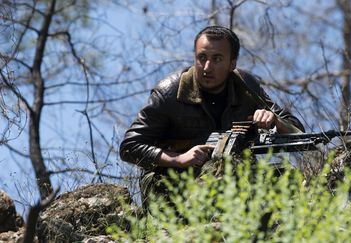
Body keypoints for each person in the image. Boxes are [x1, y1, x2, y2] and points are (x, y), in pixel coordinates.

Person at [119, 26, 304, 206]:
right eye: (202, 58)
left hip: (233, 179)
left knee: (287, 178)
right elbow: (130, 147)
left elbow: (298, 134)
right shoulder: (170, 92)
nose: (207, 67)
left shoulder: (246, 87)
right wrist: (178, 159)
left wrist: (274, 121)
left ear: (232, 63)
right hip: (170, 185)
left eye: (217, 59)